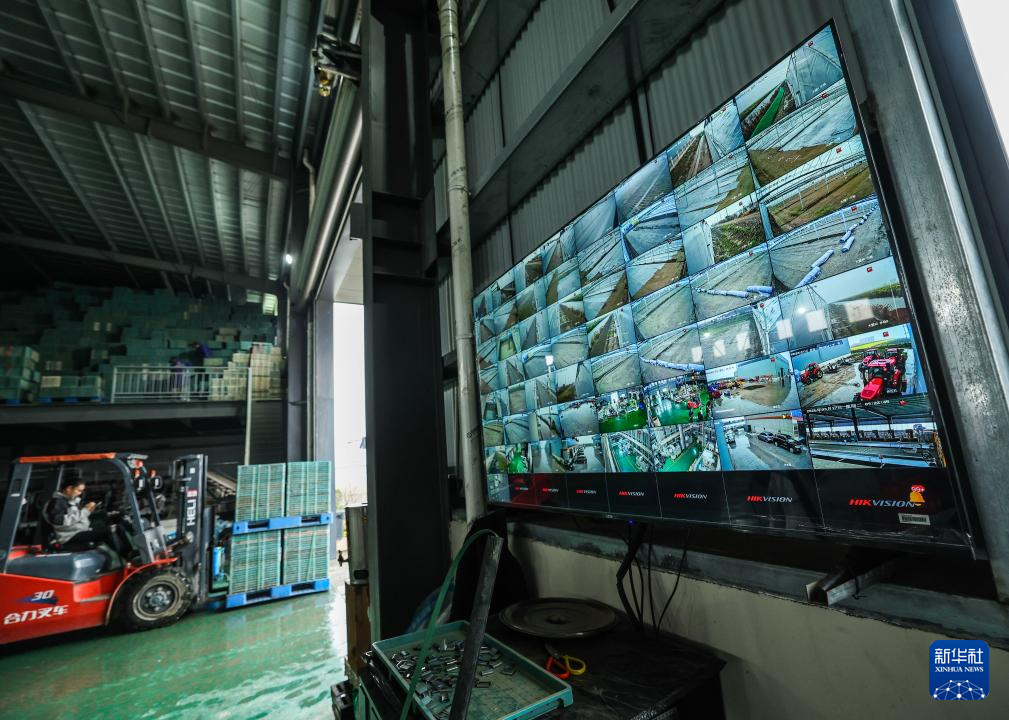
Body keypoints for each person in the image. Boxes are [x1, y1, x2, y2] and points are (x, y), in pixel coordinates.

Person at [43, 478, 102, 551]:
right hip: (68, 537)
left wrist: (88, 510)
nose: (80, 493)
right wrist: (85, 511)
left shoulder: (71, 502)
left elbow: (76, 518)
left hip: (78, 532)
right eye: (79, 490)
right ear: (69, 488)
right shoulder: (56, 503)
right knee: (105, 534)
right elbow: (60, 522)